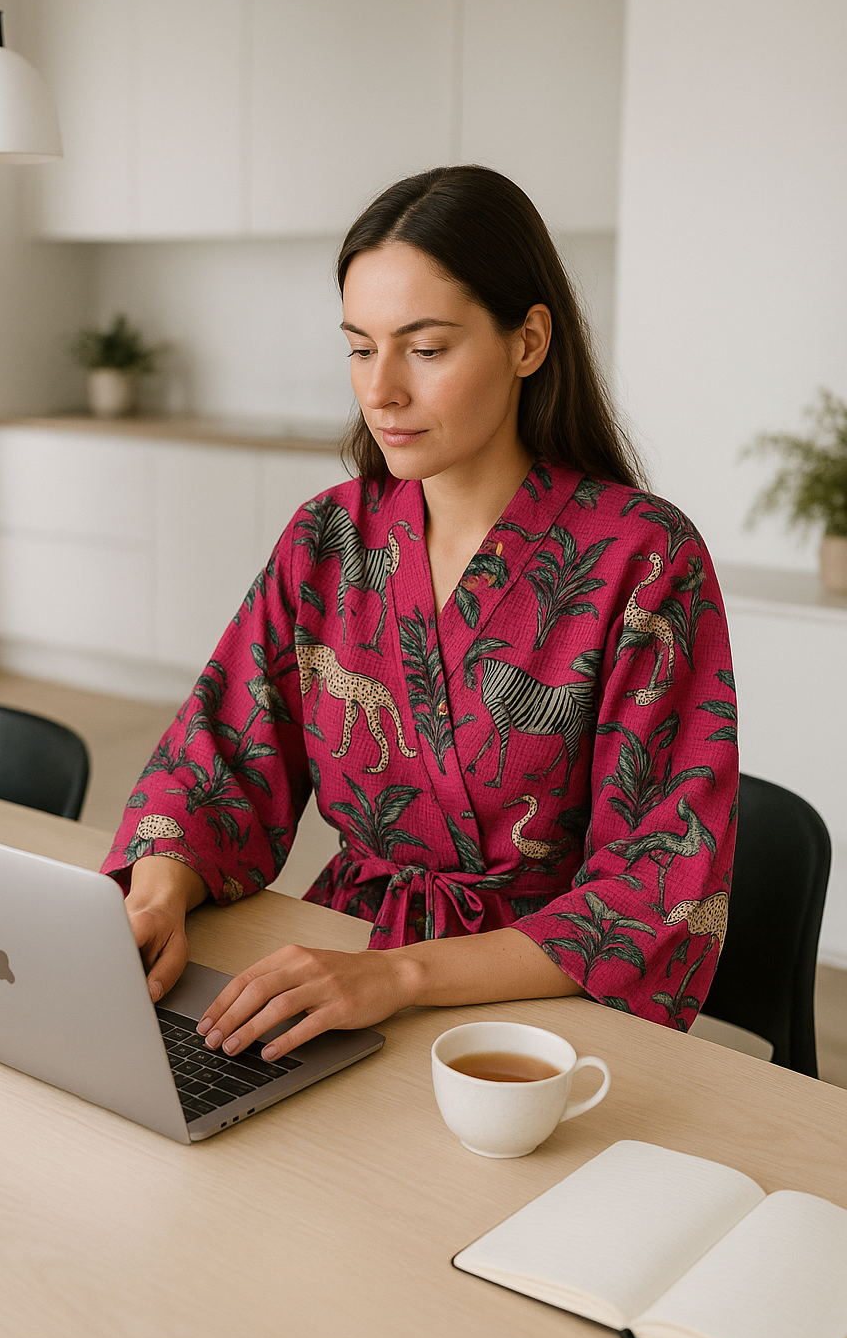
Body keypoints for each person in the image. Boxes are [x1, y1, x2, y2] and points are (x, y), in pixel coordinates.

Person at [102, 165, 738, 1065]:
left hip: (535, 1012)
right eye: (361, 348)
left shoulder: (645, 561)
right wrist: (159, 893)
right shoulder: (330, 536)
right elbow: (222, 754)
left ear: (528, 341)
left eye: (426, 349)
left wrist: (401, 976)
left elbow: (654, 887)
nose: (381, 390)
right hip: (341, 968)